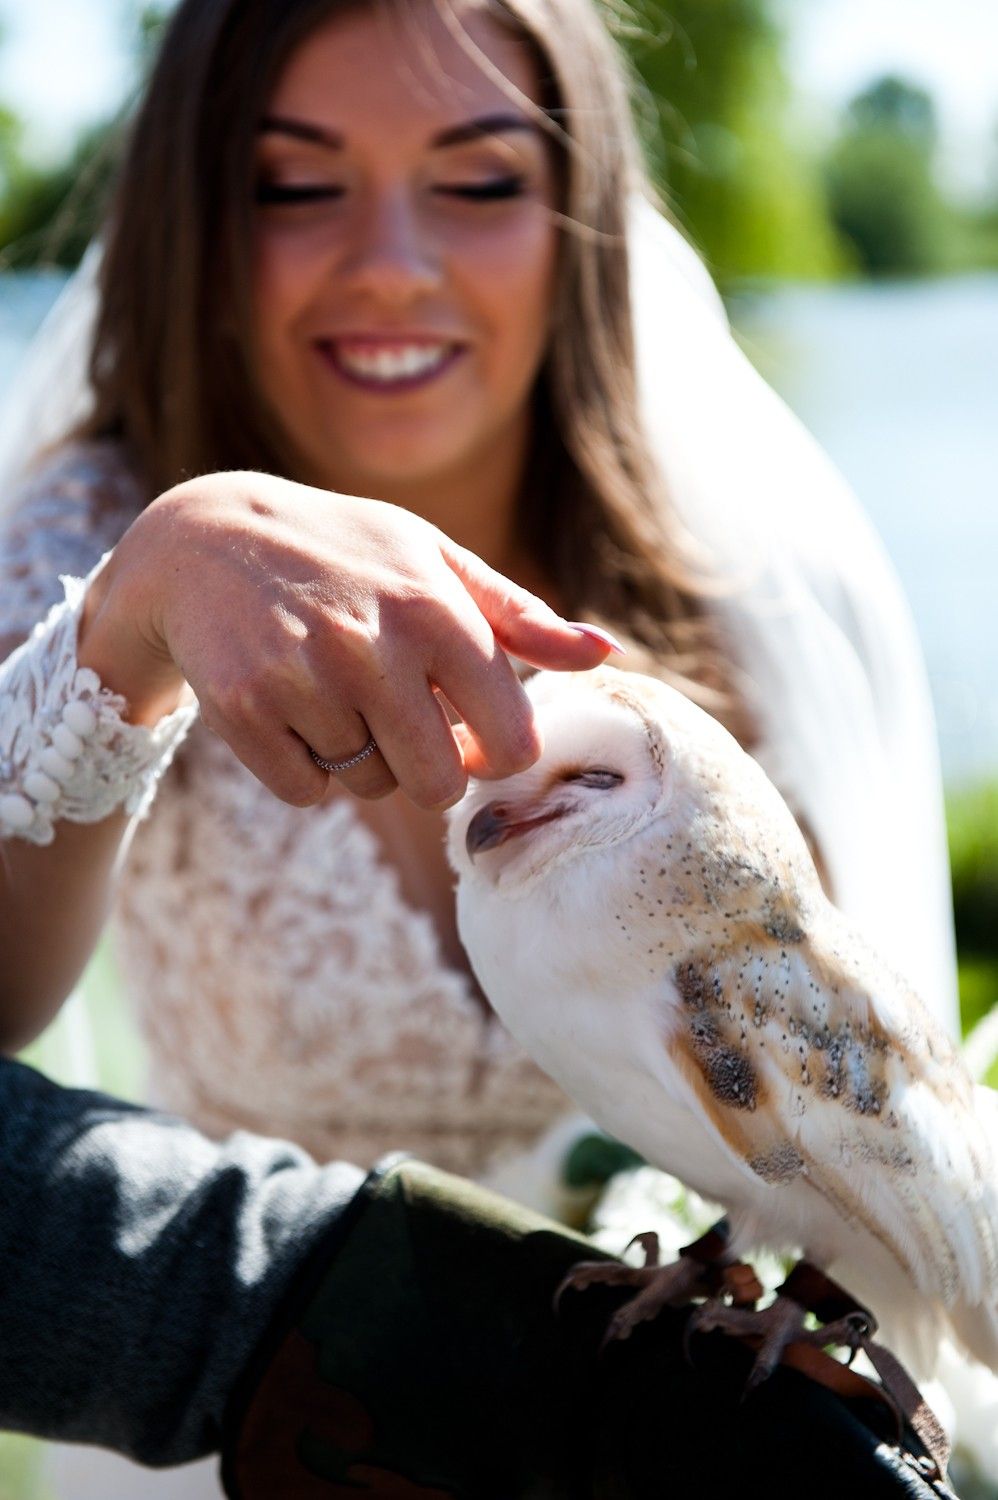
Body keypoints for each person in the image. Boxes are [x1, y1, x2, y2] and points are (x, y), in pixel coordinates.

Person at [0, 0, 958, 1490]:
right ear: (193, 217)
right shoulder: (91, 545)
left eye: (479, 178)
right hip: (252, 1407)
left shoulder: (742, 565)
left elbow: (855, 1070)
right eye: (294, 184)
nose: (391, 260)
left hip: (678, 1410)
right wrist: (125, 631)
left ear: (585, 214)